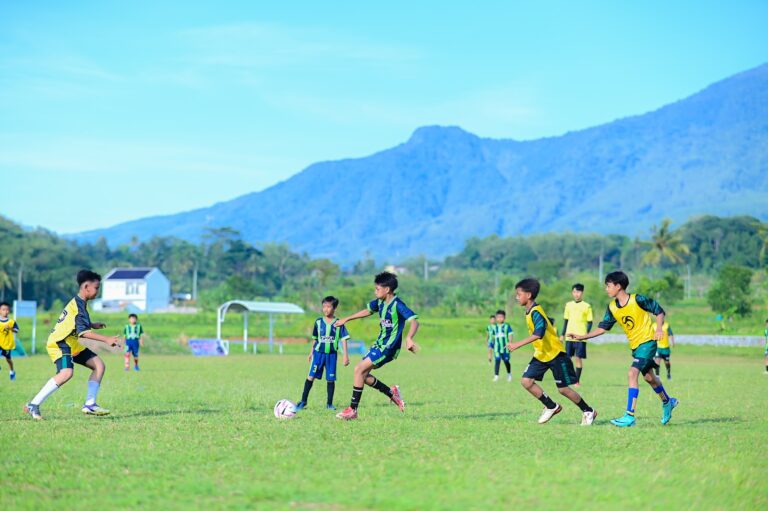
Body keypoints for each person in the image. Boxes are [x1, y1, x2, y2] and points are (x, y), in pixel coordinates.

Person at [569, 271, 678, 427]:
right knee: (649, 378)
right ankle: (668, 402)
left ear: (618, 286)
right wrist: (581, 337)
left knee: (632, 373)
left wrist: (659, 329)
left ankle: (629, 416)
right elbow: (602, 328)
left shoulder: (637, 299)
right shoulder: (612, 307)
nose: (606, 289)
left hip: (647, 342)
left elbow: (659, 311)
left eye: (608, 286)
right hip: (635, 346)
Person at [24, 270, 121, 420]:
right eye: (96, 288)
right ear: (86, 286)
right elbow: (84, 333)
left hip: (71, 343)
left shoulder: (78, 303)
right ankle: (34, 404)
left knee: (99, 365)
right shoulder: (79, 307)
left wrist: (91, 324)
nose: (97, 292)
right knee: (66, 373)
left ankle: (90, 404)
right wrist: (106, 339)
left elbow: (76, 323)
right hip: (60, 343)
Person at [507, 278, 597, 425]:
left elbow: (539, 333)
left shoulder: (536, 312)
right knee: (526, 381)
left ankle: (588, 411)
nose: (517, 297)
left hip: (556, 354)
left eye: (519, 294)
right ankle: (551, 406)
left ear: (528, 295)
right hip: (541, 354)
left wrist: (517, 344)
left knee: (563, 390)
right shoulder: (529, 311)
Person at [334, 272, 419, 421]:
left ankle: (352, 410)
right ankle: (392, 393)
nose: (375, 291)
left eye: (377, 289)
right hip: (378, 344)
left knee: (358, 369)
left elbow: (414, 321)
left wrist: (409, 338)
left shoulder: (398, 305)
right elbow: (367, 311)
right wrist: (347, 319)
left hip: (389, 347)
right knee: (363, 375)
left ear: (387, 290)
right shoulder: (379, 303)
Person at [296, 296, 350, 411]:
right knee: (311, 376)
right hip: (318, 354)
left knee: (330, 379)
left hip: (331, 355)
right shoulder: (318, 322)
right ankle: (303, 401)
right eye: (324, 306)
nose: (326, 309)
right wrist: (311, 352)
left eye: (329, 306)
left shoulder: (339, 323)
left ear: (334, 308)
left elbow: (344, 339)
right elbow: (315, 338)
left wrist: (345, 355)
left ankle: (329, 404)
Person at [560, 283, 593, 386]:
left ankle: (577, 381)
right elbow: (566, 321)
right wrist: (562, 334)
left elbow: (590, 322)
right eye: (574, 292)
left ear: (582, 293)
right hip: (569, 336)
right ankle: (568, 378)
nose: (576, 294)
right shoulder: (568, 305)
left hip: (581, 337)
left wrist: (586, 334)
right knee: (567, 359)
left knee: (578, 358)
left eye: (578, 292)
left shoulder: (587, 306)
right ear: (572, 293)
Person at [490, 310, 514, 382]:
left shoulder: (507, 326)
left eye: (501, 317)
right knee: (497, 360)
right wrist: (492, 344)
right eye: (498, 317)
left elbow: (510, 334)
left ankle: (509, 374)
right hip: (497, 348)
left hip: (505, 348)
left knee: (506, 361)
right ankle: (496, 376)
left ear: (504, 318)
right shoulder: (495, 327)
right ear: (496, 318)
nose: (500, 318)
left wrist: (510, 343)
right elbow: (493, 337)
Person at [0, 302, 19, 381]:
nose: (5, 311)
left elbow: (17, 330)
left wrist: (10, 328)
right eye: (3, 309)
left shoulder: (11, 322)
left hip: (7, 344)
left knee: (8, 359)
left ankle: (12, 371)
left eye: (7, 309)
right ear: (0, 311)